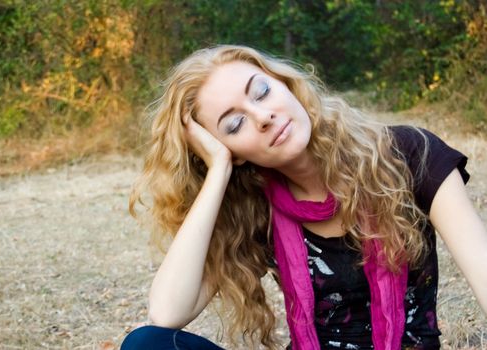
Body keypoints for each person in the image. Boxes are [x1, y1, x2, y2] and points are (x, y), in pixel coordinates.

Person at [122, 45, 487, 350]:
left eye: (262, 91)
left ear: (286, 84)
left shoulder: (408, 154)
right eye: (234, 125)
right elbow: (166, 313)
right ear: (231, 150)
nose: (263, 116)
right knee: (145, 345)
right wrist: (218, 170)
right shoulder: (255, 206)